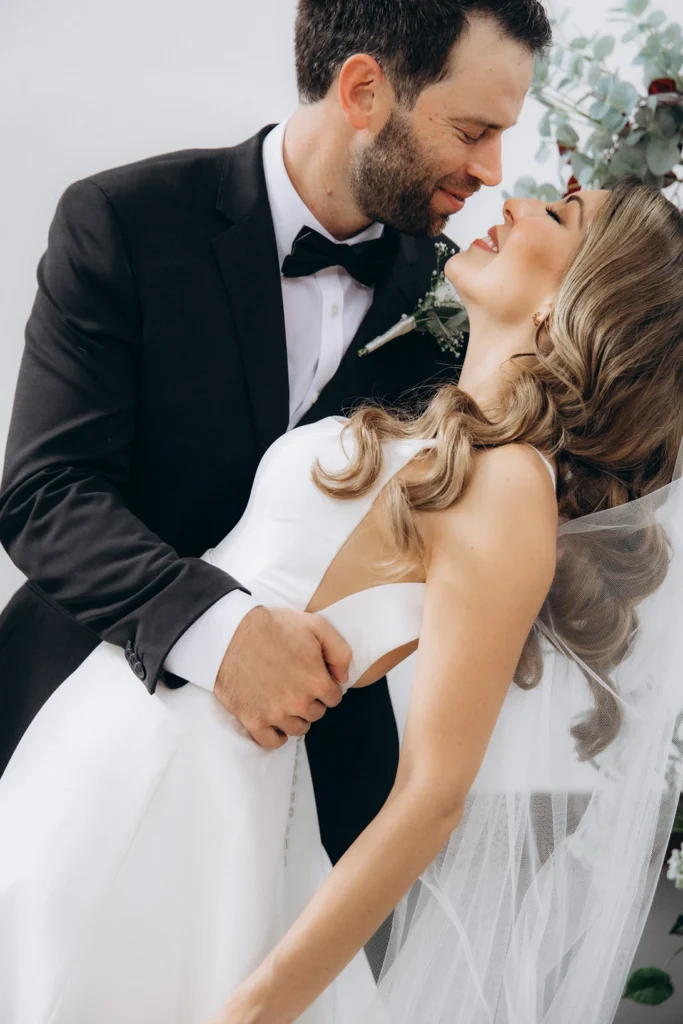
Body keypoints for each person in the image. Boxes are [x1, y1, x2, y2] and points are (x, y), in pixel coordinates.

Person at [2, 176, 683, 1024]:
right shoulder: (442, 439)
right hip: (107, 733)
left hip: (187, 781)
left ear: (577, 300)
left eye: (560, 215)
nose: (513, 201)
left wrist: (254, 1008)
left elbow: (433, 798)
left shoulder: (508, 484)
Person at [0, 0, 552, 874]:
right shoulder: (124, 220)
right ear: (364, 89)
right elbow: (46, 492)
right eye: (473, 130)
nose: (491, 169)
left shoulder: (469, 296)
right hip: (67, 735)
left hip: (314, 787)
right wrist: (219, 632)